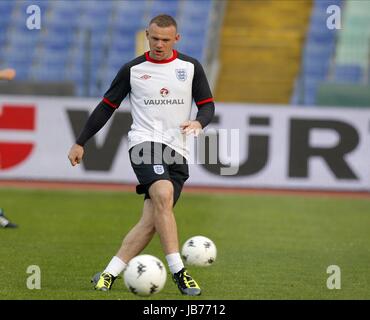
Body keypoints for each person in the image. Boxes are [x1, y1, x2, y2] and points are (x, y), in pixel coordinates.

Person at [67, 14, 215, 296]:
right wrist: (81, 141)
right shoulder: (132, 70)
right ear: (147, 35)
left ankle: (108, 274)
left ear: (177, 39)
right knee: (162, 194)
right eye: (155, 38)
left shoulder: (190, 67)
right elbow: (106, 106)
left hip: (178, 150)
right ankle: (180, 273)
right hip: (144, 142)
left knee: (153, 220)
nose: (159, 44)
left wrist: (198, 122)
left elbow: (207, 105)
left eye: (166, 40)